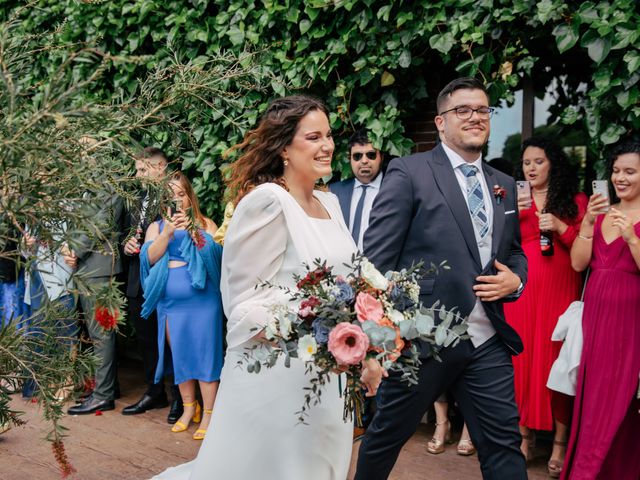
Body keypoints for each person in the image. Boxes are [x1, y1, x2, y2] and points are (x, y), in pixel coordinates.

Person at [151, 95, 383, 479]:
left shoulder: (331, 202)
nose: (327, 145)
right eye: (313, 137)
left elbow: (352, 285)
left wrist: (368, 347)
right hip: (278, 379)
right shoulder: (268, 202)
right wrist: (313, 322)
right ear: (285, 148)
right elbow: (241, 302)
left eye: (328, 135)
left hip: (329, 379)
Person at [355, 77, 528, 480]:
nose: (475, 117)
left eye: (483, 110)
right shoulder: (409, 172)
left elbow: (514, 250)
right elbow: (375, 262)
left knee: (503, 443)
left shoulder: (501, 183)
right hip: (423, 339)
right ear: (440, 122)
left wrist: (515, 281)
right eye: (462, 110)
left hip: (487, 338)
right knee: (386, 437)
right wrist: (374, 343)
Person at [504, 137, 587, 476]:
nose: (531, 168)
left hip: (560, 287)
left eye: (538, 161)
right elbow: (499, 244)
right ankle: (524, 438)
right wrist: (512, 214)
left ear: (553, 163)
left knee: (557, 361)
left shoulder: (574, 201)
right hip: (523, 291)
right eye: (526, 163)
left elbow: (587, 249)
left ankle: (559, 443)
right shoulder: (513, 199)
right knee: (521, 361)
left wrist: (561, 227)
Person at [564, 140, 640, 479]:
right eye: (616, 171)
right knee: (593, 398)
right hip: (595, 321)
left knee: (621, 399)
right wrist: (587, 225)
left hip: (630, 321)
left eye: (630, 171)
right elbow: (579, 264)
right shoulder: (603, 214)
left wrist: (632, 238)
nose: (620, 178)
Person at [141, 171, 223, 440]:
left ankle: (210, 414)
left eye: (180, 194)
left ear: (189, 196)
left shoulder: (205, 223)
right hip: (170, 304)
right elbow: (150, 259)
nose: (176, 200)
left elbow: (214, 261)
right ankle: (189, 409)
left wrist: (191, 230)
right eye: (170, 195)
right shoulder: (156, 227)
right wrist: (167, 233)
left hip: (203, 302)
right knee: (181, 357)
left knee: (205, 356)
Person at [121, 147, 183, 423]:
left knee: (171, 341)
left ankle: (180, 397)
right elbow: (124, 232)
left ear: (160, 168)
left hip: (167, 277)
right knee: (146, 339)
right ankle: (154, 391)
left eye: (143, 169)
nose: (138, 175)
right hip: (138, 277)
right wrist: (127, 243)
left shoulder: (174, 194)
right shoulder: (137, 199)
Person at [66, 188, 125, 415]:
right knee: (95, 334)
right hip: (85, 268)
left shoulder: (111, 183)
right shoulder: (85, 184)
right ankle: (106, 388)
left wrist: (76, 249)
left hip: (101, 268)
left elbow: (103, 221)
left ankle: (103, 396)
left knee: (102, 333)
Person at [330, 129, 384, 250]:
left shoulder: (394, 190)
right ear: (350, 159)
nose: (364, 161)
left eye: (371, 155)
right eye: (357, 156)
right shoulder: (333, 192)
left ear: (381, 157)